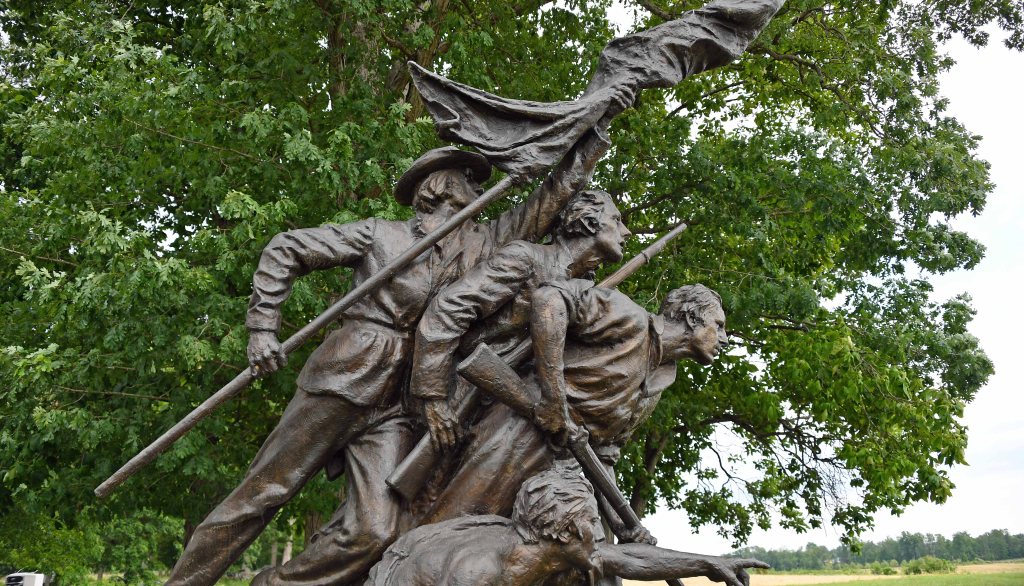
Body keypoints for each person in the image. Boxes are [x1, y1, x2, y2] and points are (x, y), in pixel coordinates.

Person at [166, 127, 616, 586]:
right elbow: (288, 247)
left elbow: (551, 197)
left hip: (402, 404)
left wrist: (596, 130)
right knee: (264, 492)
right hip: (347, 374)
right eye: (467, 175)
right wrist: (263, 327)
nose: (478, 184)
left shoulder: (485, 243)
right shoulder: (381, 235)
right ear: (437, 184)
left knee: (374, 532)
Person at [420, 282, 728, 537]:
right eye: (719, 326)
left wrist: (621, 522)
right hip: (519, 436)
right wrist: (554, 400)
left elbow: (603, 455)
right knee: (455, 534)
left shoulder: (659, 384)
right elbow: (550, 298)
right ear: (692, 318)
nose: (724, 339)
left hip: (565, 478)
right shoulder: (629, 318)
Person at [410, 189, 633, 452]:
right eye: (616, 220)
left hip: (514, 408)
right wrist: (433, 398)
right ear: (588, 221)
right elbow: (449, 309)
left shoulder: (584, 293)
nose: (626, 232)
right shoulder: (526, 258)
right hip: (460, 396)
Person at [366, 464, 767, 586]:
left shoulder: (541, 549)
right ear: (563, 531)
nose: (600, 531)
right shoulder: (479, 574)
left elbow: (630, 559)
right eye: (591, 521)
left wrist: (709, 563)